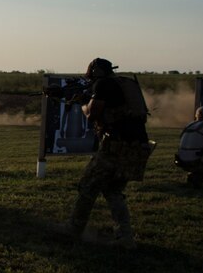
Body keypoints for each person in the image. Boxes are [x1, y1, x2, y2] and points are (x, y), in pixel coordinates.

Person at [61, 58, 153, 249]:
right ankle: (125, 236)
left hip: (116, 145)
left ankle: (73, 229)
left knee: (88, 185)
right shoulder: (124, 84)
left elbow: (92, 114)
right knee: (113, 190)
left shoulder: (103, 85)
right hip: (136, 145)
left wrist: (82, 103)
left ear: (96, 71)